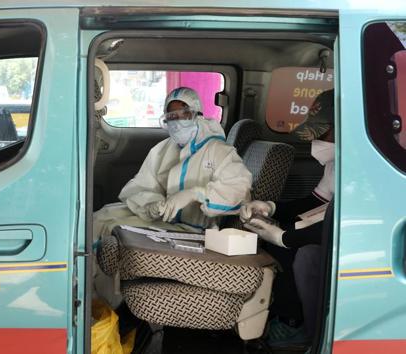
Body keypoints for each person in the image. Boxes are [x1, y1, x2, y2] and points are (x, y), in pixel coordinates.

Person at [241, 89, 335, 346]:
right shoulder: (334, 163)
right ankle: (285, 317)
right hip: (327, 225)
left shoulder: (363, 166)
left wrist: (286, 237)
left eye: (326, 133)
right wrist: (271, 208)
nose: (318, 140)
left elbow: (340, 224)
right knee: (276, 240)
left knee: (305, 255)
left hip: (350, 240)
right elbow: (316, 202)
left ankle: (309, 334)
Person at [118, 86, 252, 229]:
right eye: (171, 116)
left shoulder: (218, 150)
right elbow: (141, 185)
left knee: (113, 227)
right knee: (103, 218)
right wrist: (152, 205)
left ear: (197, 115)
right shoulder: (163, 149)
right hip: (164, 224)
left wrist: (196, 194)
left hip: (196, 232)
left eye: (184, 114)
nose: (177, 123)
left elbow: (239, 190)